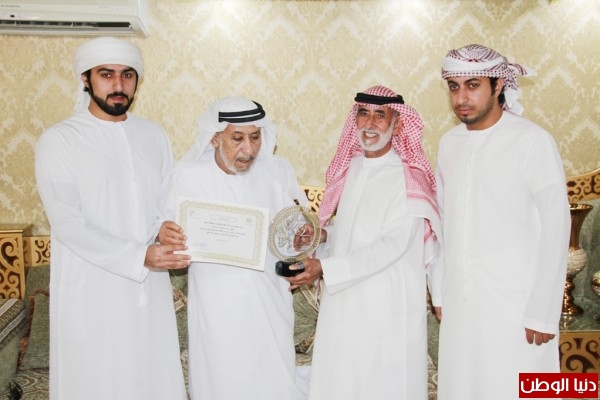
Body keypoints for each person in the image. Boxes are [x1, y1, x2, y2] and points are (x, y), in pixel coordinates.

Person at [35, 37, 190, 400]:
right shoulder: (59, 140)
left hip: (150, 288)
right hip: (93, 290)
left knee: (152, 376)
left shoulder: (153, 135)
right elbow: (67, 223)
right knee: (97, 380)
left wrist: (164, 229)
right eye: (106, 74)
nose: (119, 85)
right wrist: (139, 256)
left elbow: (165, 203)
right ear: (85, 79)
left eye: (127, 75)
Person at [287, 85, 442, 400]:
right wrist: (323, 235)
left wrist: (324, 268)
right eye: (363, 114)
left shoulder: (409, 178)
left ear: (397, 125)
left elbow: (392, 245)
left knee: (381, 385)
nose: (370, 123)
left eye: (380, 116)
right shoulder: (353, 167)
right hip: (343, 299)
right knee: (341, 381)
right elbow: (354, 232)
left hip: (386, 302)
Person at [435, 44, 570, 400]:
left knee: (517, 389)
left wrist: (543, 310)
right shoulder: (449, 144)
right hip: (461, 303)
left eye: (473, 85)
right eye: (454, 87)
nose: (461, 98)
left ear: (498, 86)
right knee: (462, 388)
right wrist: (439, 289)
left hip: (517, 306)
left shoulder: (532, 140)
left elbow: (556, 227)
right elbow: (442, 223)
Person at [159, 96, 307, 400]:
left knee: (273, 380)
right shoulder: (186, 178)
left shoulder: (276, 172)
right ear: (215, 138)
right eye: (237, 138)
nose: (249, 149)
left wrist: (300, 237)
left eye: (255, 137)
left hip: (269, 300)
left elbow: (295, 230)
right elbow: (161, 230)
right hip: (216, 304)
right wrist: (166, 234)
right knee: (222, 379)